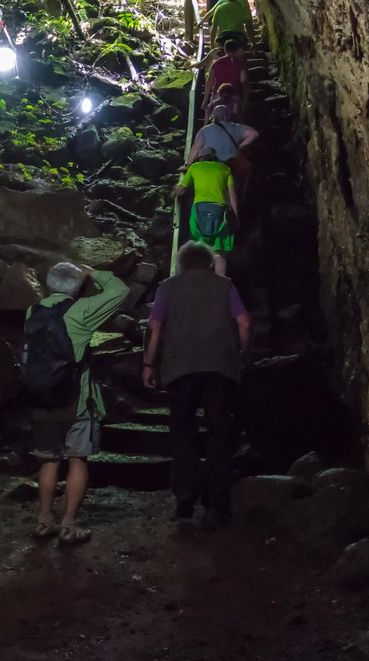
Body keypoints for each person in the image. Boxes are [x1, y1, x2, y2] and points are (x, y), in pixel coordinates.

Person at [21, 257, 135, 545]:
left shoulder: (32, 311)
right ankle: (69, 525)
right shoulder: (81, 310)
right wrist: (91, 271)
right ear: (76, 285)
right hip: (77, 400)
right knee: (77, 459)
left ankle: (44, 521)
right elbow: (119, 291)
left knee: (48, 460)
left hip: (41, 397)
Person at [141, 242, 250, 527]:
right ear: (209, 264)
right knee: (219, 434)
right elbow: (244, 323)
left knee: (182, 431)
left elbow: (154, 327)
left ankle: (186, 491)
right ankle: (217, 505)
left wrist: (149, 364)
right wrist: (240, 354)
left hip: (180, 369)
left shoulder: (167, 287)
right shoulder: (225, 286)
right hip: (219, 368)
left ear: (182, 263)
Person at [174, 154, 238, 275]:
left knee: (198, 248)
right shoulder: (225, 168)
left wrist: (173, 192)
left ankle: (198, 280)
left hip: (199, 209)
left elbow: (181, 189)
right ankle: (220, 284)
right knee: (220, 252)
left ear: (200, 158)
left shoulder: (195, 167)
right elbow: (232, 195)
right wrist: (236, 216)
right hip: (219, 210)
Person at [188, 100, 258, 201]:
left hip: (211, 165)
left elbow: (195, 148)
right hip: (231, 164)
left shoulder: (205, 129)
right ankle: (237, 204)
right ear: (228, 116)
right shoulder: (236, 127)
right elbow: (254, 133)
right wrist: (240, 146)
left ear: (214, 117)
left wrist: (188, 165)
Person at [204, 34, 247, 111]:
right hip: (234, 95)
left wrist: (205, 101)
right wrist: (246, 99)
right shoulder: (240, 64)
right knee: (238, 117)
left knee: (209, 112)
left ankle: (207, 122)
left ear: (225, 50)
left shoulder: (216, 64)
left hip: (218, 95)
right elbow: (244, 82)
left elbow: (209, 82)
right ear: (237, 50)